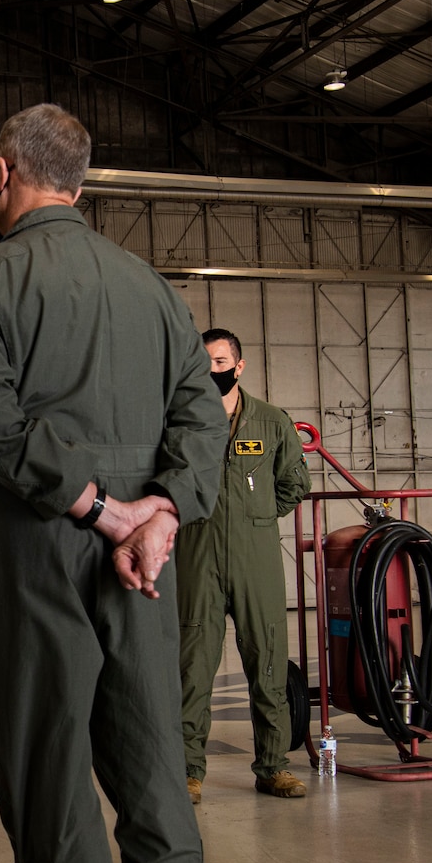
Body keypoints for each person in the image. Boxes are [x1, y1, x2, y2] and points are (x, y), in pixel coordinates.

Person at [0, 104, 228, 863]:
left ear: (3, 172)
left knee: (48, 763)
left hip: (44, 549)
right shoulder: (150, 290)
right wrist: (163, 513)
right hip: (144, 559)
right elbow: (202, 415)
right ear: (82, 183)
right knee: (150, 754)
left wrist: (104, 511)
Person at [176, 329, 311, 802]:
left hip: (256, 561)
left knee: (269, 664)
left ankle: (273, 767)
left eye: (220, 362)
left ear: (239, 364)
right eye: (204, 363)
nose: (213, 371)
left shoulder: (272, 422)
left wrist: (252, 517)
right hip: (197, 557)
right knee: (192, 669)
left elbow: (294, 483)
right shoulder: (180, 422)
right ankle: (188, 771)